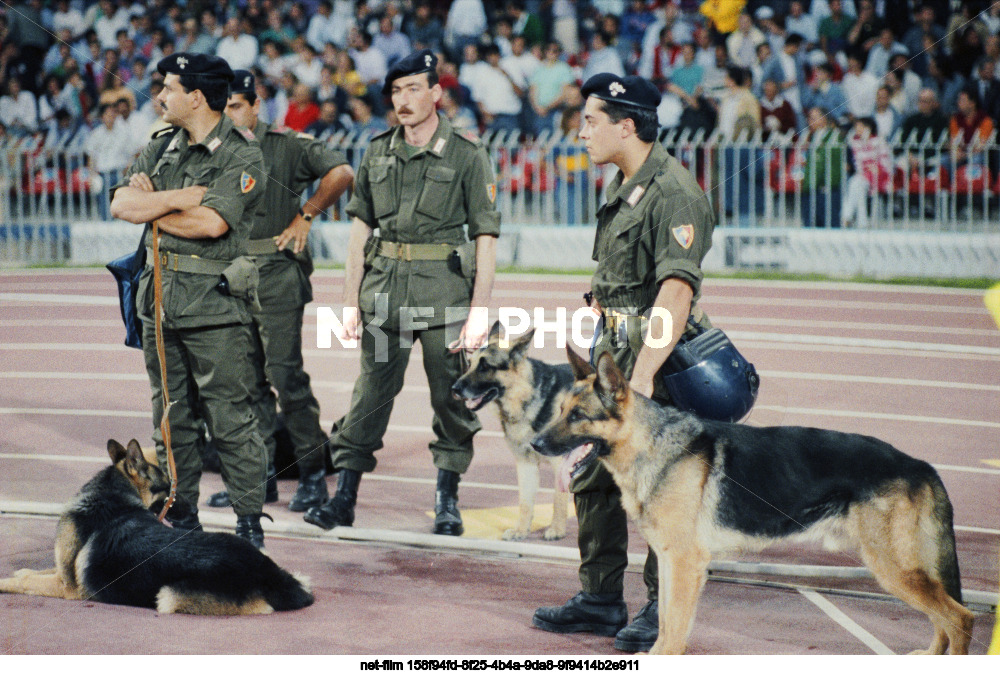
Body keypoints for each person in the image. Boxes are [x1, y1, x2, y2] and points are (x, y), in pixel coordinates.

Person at [532, 72, 716, 653]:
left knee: (663, 483)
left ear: (627, 125)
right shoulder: (623, 185)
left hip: (654, 360)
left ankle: (663, 605)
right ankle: (600, 597)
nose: (580, 132)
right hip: (614, 351)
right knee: (593, 474)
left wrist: (642, 378)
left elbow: (675, 292)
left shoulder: (675, 192)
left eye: (590, 121)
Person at [303, 49, 500, 537]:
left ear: (436, 93)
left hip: (444, 299)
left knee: (451, 397)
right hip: (386, 297)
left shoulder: (467, 154)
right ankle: (344, 497)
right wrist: (349, 302)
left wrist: (479, 312)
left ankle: (446, 500)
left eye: (415, 89)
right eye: (396, 91)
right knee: (371, 393)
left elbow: (486, 238)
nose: (404, 100)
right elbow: (358, 234)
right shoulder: (377, 151)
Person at [108, 53, 271, 549]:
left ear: (196, 97)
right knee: (170, 415)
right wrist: (181, 198)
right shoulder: (163, 146)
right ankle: (182, 512)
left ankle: (247, 520)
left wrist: (151, 205)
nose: (160, 96)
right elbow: (119, 203)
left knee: (230, 417)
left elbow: (213, 224)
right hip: (158, 301)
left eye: (169, 87)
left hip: (214, 305)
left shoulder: (240, 154)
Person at [204, 70, 354, 514]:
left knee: (286, 377)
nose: (228, 115)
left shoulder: (285, 144)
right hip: (230, 273)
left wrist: (305, 215)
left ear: (254, 104)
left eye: (235, 105)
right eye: (221, 107)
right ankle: (260, 478)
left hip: (276, 272)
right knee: (246, 384)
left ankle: (311, 476)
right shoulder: (213, 149)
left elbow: (341, 171)